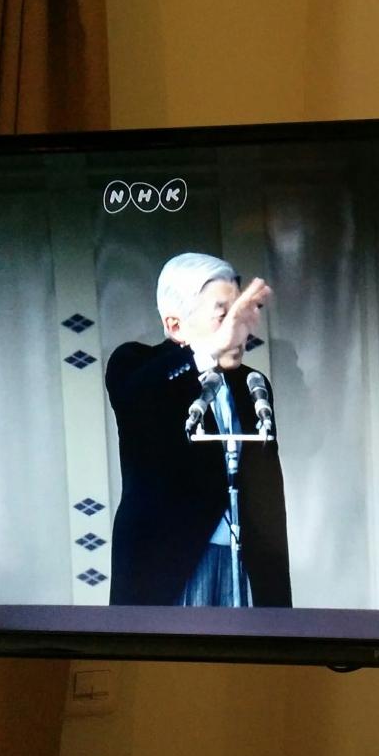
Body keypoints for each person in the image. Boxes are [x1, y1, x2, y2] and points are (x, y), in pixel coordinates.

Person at [106, 252, 291, 607]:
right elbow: (136, 397)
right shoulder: (136, 365)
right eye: (224, 316)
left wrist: (278, 603)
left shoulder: (252, 383)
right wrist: (208, 351)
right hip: (170, 569)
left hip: (246, 567)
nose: (240, 330)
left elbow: (267, 497)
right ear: (176, 325)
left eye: (240, 314)